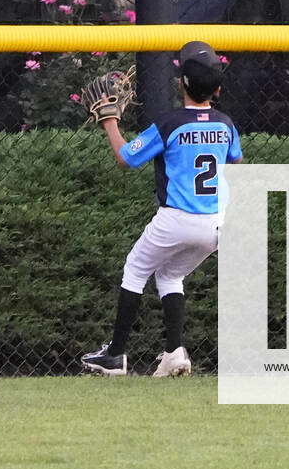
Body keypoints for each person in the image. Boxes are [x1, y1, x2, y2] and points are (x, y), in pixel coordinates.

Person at [81, 41, 243, 377]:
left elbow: (126, 158)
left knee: (135, 270)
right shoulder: (226, 123)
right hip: (216, 223)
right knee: (170, 275)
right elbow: (236, 160)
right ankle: (173, 353)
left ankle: (115, 355)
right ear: (218, 89)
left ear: (181, 83)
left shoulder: (169, 123)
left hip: (177, 218)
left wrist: (109, 121)